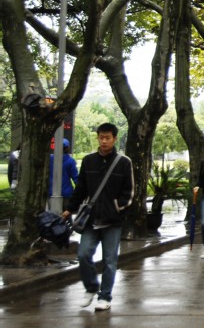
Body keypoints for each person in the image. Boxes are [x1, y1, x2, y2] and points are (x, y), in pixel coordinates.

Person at [62, 123, 133, 312]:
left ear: (115, 138)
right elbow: (81, 188)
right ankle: (92, 287)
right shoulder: (88, 161)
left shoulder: (124, 162)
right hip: (91, 219)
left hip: (112, 220)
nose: (104, 141)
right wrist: (70, 209)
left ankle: (105, 296)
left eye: (107, 137)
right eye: (101, 137)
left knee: (110, 261)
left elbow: (130, 192)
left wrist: (117, 207)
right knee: (83, 254)